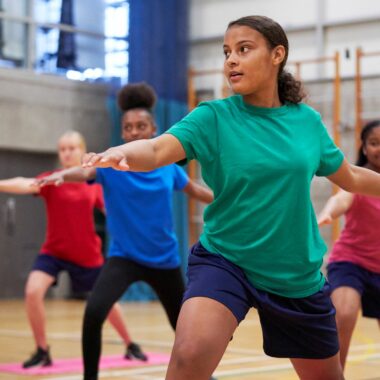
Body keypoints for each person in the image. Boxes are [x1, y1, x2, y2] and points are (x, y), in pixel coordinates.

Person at [79, 15, 380, 380]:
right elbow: (158, 149)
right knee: (188, 357)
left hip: (294, 273)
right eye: (226, 52)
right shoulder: (213, 117)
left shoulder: (306, 122)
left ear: (277, 55)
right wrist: (125, 152)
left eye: (244, 49)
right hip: (226, 260)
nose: (231, 60)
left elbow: (349, 175)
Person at [38, 83, 214, 380]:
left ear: (153, 129)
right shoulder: (109, 166)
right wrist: (60, 175)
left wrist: (230, 199)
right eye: (128, 127)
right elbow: (83, 172)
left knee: (184, 328)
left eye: (141, 126)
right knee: (94, 314)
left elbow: (196, 191)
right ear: (122, 133)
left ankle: (203, 375)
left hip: (165, 261)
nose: (134, 132)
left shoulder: (169, 168)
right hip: (124, 258)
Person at [0, 131, 145, 368]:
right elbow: (25, 183)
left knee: (108, 304)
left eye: (71, 148)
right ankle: (42, 350)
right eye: (62, 149)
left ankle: (130, 344)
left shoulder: (93, 183)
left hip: (87, 256)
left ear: (81, 150)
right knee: (33, 291)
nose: (66, 153)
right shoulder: (52, 179)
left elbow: (113, 210)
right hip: (54, 252)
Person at [318, 120, 380, 370]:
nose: (379, 148)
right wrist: (328, 213)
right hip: (350, 262)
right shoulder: (358, 179)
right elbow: (342, 198)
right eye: (374, 143)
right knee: (344, 313)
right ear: (364, 148)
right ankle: (336, 374)